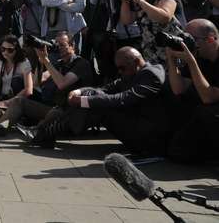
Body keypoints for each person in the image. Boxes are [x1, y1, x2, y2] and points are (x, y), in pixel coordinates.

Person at [22, 47, 168, 151]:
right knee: (91, 97)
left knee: (97, 105)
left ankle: (44, 133)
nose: (120, 72)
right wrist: (78, 92)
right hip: (133, 124)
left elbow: (123, 99)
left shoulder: (152, 74)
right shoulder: (130, 73)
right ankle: (44, 133)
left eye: (122, 68)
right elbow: (105, 89)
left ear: (136, 62)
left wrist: (84, 101)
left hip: (146, 136)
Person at [0, 32, 93, 132]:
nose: (58, 48)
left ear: (72, 46)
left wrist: (46, 61)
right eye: (56, 44)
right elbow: (36, 82)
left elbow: (62, 84)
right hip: (53, 107)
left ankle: (33, 130)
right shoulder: (60, 64)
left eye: (62, 45)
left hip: (69, 113)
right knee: (19, 100)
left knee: (54, 112)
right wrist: (41, 62)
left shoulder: (81, 64)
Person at [165, 19, 219, 162]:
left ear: (211, 39)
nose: (186, 42)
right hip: (208, 112)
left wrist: (191, 62)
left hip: (213, 110)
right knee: (178, 152)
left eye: (191, 39)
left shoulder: (195, 59)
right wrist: (171, 58)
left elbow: (209, 97)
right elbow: (178, 89)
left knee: (207, 111)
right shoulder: (199, 57)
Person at [88, 0, 141, 82]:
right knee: (116, 70)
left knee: (133, 69)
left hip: (132, 34)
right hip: (115, 35)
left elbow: (127, 2)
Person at [120, 0, 186, 65]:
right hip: (153, 58)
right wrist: (124, 0)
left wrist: (140, 1)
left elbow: (164, 17)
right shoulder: (137, 2)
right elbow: (126, 20)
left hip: (175, 54)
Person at [0, 35, 33, 106]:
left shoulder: (24, 63)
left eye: (10, 50)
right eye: (3, 49)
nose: (5, 52)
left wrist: (7, 103)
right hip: (3, 97)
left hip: (19, 98)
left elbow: (28, 89)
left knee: (16, 81)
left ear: (17, 50)